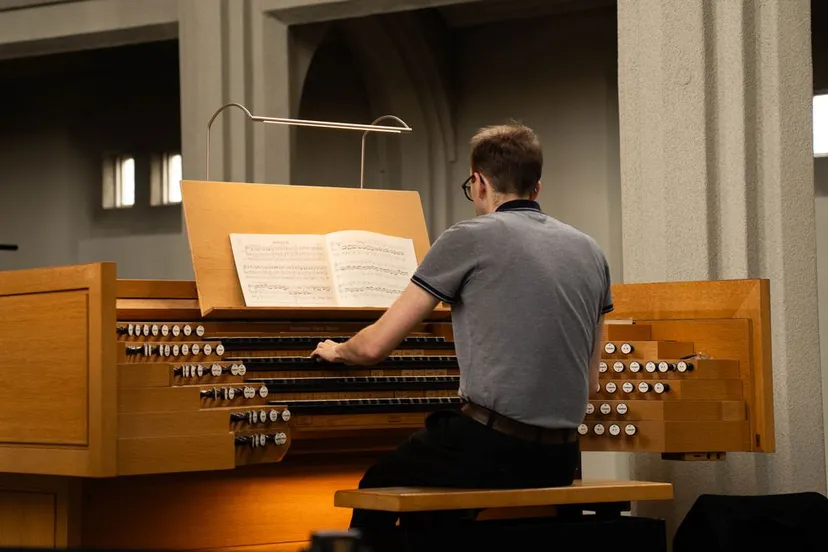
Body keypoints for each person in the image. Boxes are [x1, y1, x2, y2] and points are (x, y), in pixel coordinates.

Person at [311, 123, 614, 531]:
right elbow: (592, 382)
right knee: (434, 516)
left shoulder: (469, 236)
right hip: (560, 457)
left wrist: (336, 349)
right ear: (536, 188)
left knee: (375, 487)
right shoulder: (591, 250)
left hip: (491, 448)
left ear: (478, 182)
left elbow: (373, 348)